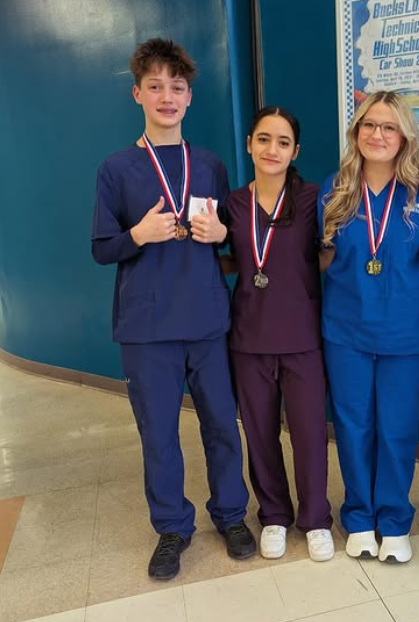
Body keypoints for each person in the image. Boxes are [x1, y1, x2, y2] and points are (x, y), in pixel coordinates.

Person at [91, 38, 255, 581]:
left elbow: (230, 241)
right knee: (158, 435)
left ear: (189, 97)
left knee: (222, 426)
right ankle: (171, 527)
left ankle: (231, 515)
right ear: (137, 93)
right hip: (146, 329)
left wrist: (222, 233)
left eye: (177, 87)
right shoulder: (116, 169)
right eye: (155, 86)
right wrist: (137, 235)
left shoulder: (208, 165)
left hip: (206, 322)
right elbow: (102, 249)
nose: (167, 96)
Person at [318, 91, 419, 563]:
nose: (378, 135)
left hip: (406, 333)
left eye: (388, 127)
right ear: (356, 132)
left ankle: (395, 520)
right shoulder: (334, 190)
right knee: (352, 425)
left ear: (404, 135)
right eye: (369, 125)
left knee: (398, 428)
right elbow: (321, 257)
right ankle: (360, 517)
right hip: (346, 330)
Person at [224, 106, 334, 562]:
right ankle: (273, 513)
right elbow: (230, 258)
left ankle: (316, 518)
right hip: (249, 336)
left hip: (302, 334)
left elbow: (325, 257)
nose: (273, 149)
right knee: (260, 432)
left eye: (283, 142)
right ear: (249, 144)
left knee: (309, 433)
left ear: (296, 151)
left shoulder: (312, 199)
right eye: (264, 139)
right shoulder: (232, 204)